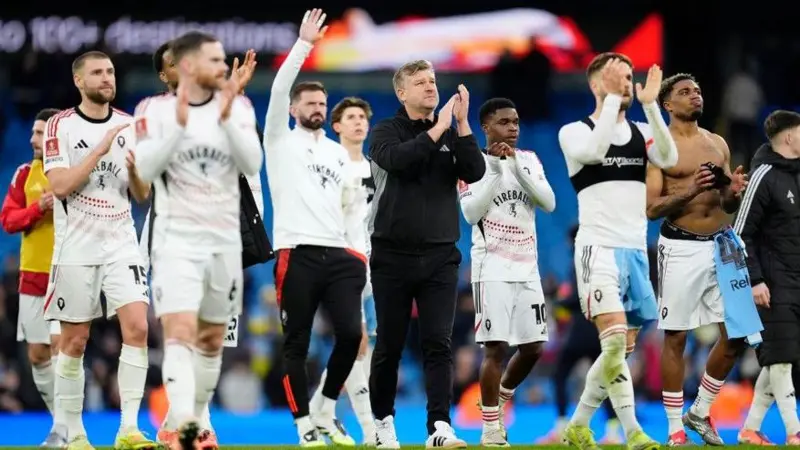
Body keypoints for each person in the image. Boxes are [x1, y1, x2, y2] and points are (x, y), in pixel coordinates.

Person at [133, 31, 262, 449]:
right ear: (188, 65)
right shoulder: (154, 109)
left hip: (224, 240)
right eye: (215, 60)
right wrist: (179, 126)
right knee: (180, 333)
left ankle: (189, 417)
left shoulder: (238, 105)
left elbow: (251, 161)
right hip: (175, 240)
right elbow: (146, 173)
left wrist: (226, 115)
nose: (224, 67)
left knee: (211, 343)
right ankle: (191, 427)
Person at [557, 52, 678, 450]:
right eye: (617, 77)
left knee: (620, 352)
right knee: (611, 346)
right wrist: (611, 101)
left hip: (635, 252)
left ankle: (589, 427)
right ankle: (630, 432)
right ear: (596, 84)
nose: (626, 82)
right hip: (599, 248)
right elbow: (593, 152)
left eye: (629, 77)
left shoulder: (642, 130)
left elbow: (669, 158)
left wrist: (651, 106)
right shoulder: (574, 131)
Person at [367, 57, 485, 448]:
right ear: (402, 92)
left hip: (439, 255)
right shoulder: (386, 131)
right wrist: (440, 128)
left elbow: (476, 170)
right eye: (420, 82)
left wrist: (464, 125)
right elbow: (399, 161)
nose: (431, 87)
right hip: (392, 255)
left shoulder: (451, 133)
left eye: (433, 80)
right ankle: (383, 422)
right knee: (390, 344)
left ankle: (439, 426)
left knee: (439, 343)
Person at [263, 9, 368, 447]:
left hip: (338, 255)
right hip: (296, 253)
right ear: (292, 109)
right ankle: (303, 422)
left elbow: (350, 206)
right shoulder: (278, 140)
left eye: (322, 104)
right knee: (297, 345)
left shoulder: (338, 153)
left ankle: (325, 408)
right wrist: (304, 45)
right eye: (309, 104)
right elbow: (278, 86)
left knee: (350, 335)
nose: (317, 109)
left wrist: (356, 251)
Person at [42, 51, 156, 449]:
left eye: (109, 71)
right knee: (75, 341)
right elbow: (59, 186)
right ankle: (73, 432)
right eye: (97, 72)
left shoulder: (130, 125)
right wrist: (100, 148)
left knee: (139, 328)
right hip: (77, 246)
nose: (107, 78)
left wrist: (139, 173)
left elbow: (142, 195)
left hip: (122, 240)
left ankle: (128, 428)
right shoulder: (61, 125)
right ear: (79, 81)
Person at [646, 73, 754, 446]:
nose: (695, 95)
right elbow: (651, 208)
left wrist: (734, 193)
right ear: (668, 104)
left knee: (737, 334)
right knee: (676, 337)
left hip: (722, 246)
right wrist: (690, 189)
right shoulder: (660, 148)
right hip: (680, 246)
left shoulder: (718, 142)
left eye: (698, 90)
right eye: (685, 92)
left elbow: (725, 203)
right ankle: (675, 427)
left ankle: (700, 410)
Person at [458, 97, 555, 446]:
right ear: (486, 127)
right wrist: (497, 169)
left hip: (528, 267)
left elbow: (548, 202)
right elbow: (471, 213)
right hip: (491, 268)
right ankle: (489, 430)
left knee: (533, 347)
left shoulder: (528, 160)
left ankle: (498, 402)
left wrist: (514, 167)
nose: (512, 128)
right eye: (504, 122)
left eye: (515, 122)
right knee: (495, 348)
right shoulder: (471, 163)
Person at [309, 96, 377, 445]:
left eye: (362, 117)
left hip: (372, 265)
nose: (357, 122)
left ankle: (321, 408)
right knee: (356, 343)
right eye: (350, 117)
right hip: (341, 262)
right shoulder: (328, 165)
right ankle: (369, 429)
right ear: (336, 126)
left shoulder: (376, 168)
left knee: (364, 348)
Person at [0, 107, 68, 447]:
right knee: (38, 355)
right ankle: (62, 426)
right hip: (32, 277)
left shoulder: (72, 174)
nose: (32, 139)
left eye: (40, 133)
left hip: (68, 274)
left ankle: (69, 428)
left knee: (63, 351)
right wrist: (38, 209)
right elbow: (8, 220)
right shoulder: (24, 173)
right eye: (32, 132)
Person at [735, 110, 800, 446]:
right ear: (788, 137)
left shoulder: (797, 175)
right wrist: (755, 279)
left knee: (780, 357)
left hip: (796, 281)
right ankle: (794, 432)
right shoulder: (765, 175)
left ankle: (749, 429)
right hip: (772, 285)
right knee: (781, 358)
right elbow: (739, 233)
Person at [539, 226, 622, 445]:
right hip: (600, 331)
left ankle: (560, 428)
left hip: (582, 333)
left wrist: (557, 301)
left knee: (559, 376)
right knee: (606, 383)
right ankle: (613, 434)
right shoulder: (601, 263)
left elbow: (579, 299)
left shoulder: (579, 263)